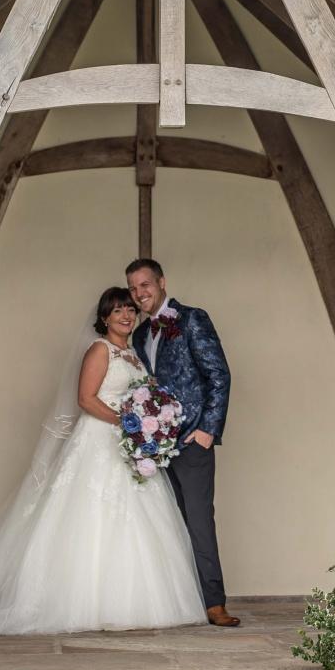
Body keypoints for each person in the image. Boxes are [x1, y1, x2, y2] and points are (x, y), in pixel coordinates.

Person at [0, 287, 205, 635]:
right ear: (104, 318)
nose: (125, 315)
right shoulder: (99, 350)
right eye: (117, 310)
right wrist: (129, 423)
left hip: (131, 447)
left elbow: (142, 396)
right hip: (100, 441)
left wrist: (145, 426)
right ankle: (84, 604)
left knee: (139, 517)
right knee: (90, 517)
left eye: (129, 309)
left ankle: (133, 603)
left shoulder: (135, 354)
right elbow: (86, 399)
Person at [126, 258, 240, 628]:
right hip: (156, 446)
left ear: (161, 282)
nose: (140, 293)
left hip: (193, 440)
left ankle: (214, 603)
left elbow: (218, 375)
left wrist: (208, 429)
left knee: (199, 521)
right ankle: (182, 602)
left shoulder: (193, 319)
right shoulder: (141, 336)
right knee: (168, 523)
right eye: (133, 288)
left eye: (145, 285)